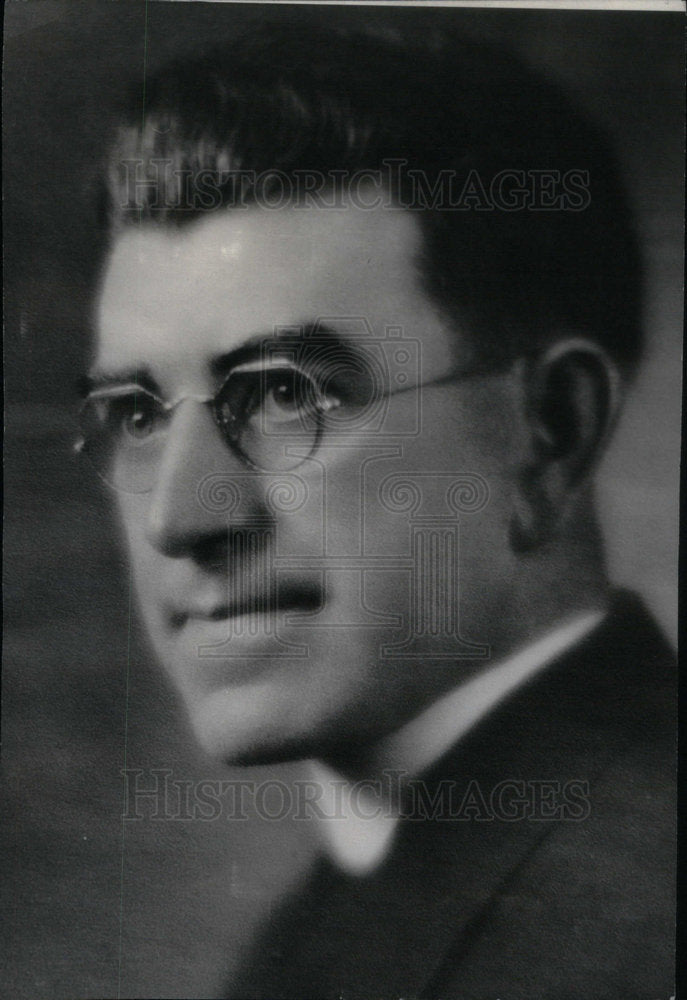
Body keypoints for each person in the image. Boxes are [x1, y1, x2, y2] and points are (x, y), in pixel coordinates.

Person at [78, 22, 675, 999]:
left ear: (550, 434)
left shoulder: (646, 912)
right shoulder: (322, 925)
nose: (177, 519)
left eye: (283, 395)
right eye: (136, 413)